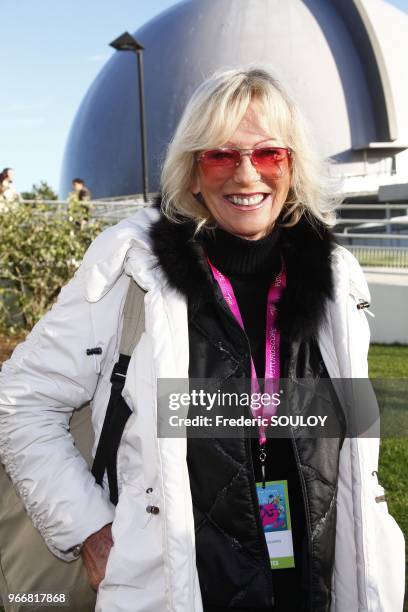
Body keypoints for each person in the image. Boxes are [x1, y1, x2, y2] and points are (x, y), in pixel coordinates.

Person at [0, 68, 404, 612]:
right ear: (191, 172)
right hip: (176, 591)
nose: (246, 174)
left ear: (291, 166)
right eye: (221, 155)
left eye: (268, 154)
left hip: (313, 588)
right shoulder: (131, 271)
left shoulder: (336, 279)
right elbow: (21, 401)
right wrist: (89, 530)